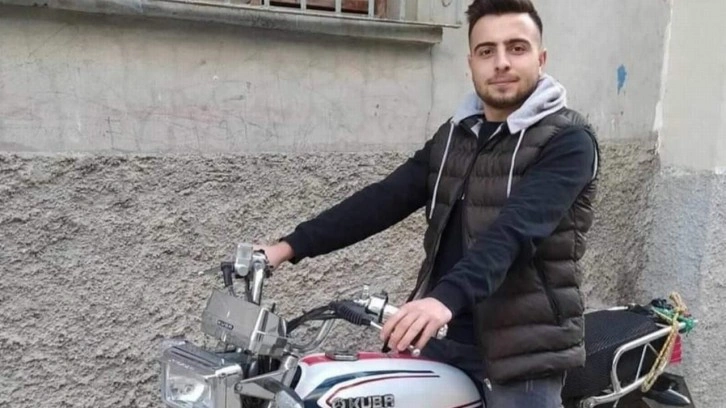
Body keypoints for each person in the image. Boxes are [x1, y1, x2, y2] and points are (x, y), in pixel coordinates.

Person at [257, 0, 599, 405]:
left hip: (522, 351)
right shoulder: (456, 136)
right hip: (443, 334)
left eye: (517, 48)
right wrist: (287, 247)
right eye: (486, 51)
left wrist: (441, 300)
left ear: (540, 59)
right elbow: (384, 199)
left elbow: (515, 231)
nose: (501, 62)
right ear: (470, 64)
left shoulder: (568, 141)